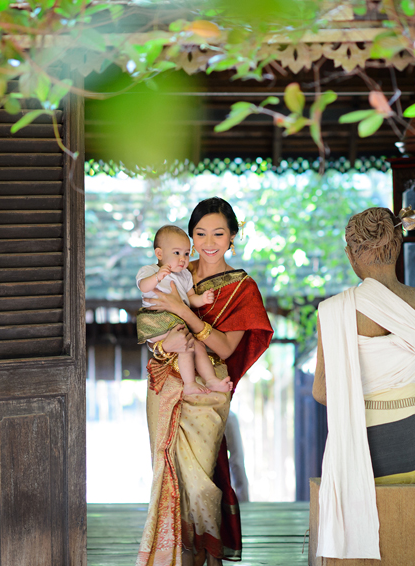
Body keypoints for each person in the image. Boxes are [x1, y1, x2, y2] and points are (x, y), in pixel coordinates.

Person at [312, 207, 415, 560]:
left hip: (362, 458)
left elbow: (321, 392)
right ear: (399, 244)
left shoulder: (333, 311)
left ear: (351, 254)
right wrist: (408, 401)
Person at [136, 197, 273, 566]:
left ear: (232, 238)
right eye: (200, 233)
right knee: (168, 473)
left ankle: (205, 557)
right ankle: (173, 555)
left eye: (218, 233)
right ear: (190, 237)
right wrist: (166, 340)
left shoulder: (243, 289)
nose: (209, 241)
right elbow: (147, 319)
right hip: (166, 378)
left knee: (200, 478)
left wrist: (184, 311)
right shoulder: (173, 270)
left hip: (209, 387)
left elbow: (227, 348)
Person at [136, 225, 233, 396]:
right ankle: (189, 383)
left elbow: (190, 298)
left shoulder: (185, 275)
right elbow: (143, 286)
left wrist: (202, 299)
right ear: (159, 254)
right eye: (176, 253)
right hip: (156, 319)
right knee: (186, 346)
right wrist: (158, 276)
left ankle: (210, 380)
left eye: (186, 254)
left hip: (175, 322)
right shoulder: (150, 270)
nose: (182, 259)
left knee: (198, 346)